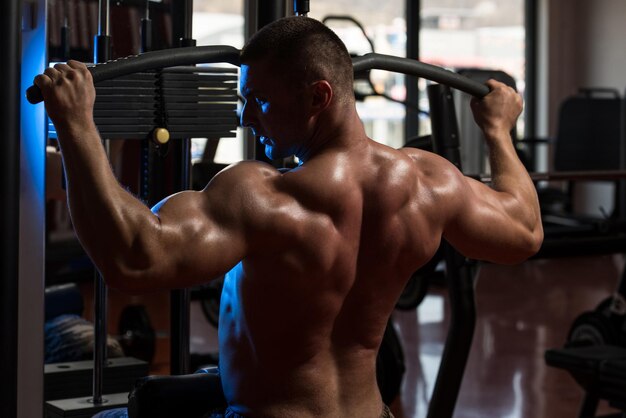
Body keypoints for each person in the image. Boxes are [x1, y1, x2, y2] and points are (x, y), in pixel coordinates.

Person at [34, 16, 543, 418]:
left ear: (319, 96)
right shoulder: (428, 182)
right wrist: (499, 132)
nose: (246, 117)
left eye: (258, 100)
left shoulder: (264, 196)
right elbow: (522, 231)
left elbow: (134, 258)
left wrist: (77, 125)